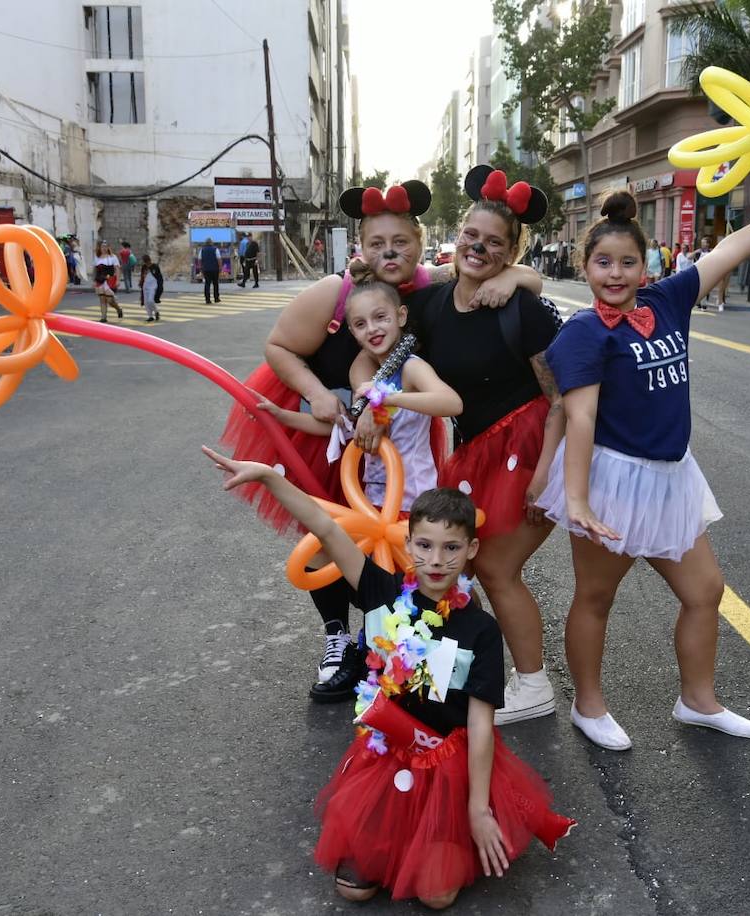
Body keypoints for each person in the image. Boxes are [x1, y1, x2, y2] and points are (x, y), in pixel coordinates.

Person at [199, 453, 575, 907]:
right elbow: (326, 527)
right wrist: (267, 479)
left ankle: (443, 837)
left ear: (471, 550)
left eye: (451, 548)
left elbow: (479, 725)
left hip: (447, 762)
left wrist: (477, 809)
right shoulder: (383, 591)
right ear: (410, 543)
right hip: (385, 753)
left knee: (436, 895)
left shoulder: (480, 631)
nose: (436, 560)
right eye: (425, 546)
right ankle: (391, 842)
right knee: (352, 889)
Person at [221, 179, 543, 702]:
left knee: (391, 540)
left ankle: (408, 650)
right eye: (376, 243)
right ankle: (337, 638)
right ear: (359, 246)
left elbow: (502, 272)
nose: (389, 252)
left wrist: (519, 276)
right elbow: (279, 345)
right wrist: (315, 397)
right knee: (328, 531)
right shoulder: (335, 291)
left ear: (419, 242)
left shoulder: (431, 282)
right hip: (328, 421)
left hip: (392, 431)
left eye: (400, 242)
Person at [533, 184, 750, 750]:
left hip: (672, 476)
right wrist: (577, 499)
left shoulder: (667, 300)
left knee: (706, 591)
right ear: (584, 266)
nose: (616, 273)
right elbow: (579, 417)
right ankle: (588, 705)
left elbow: (727, 251)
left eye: (628, 262)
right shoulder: (584, 331)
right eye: (603, 262)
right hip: (614, 481)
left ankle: (698, 701)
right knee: (596, 598)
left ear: (646, 264)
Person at [374, 167, 562, 727]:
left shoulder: (520, 307)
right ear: (457, 237)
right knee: (451, 566)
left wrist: (546, 473)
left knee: (498, 569)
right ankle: (446, 677)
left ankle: (533, 684)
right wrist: (369, 403)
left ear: (510, 254)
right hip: (476, 450)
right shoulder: (432, 304)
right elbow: (394, 350)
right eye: (471, 237)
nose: (478, 248)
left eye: (494, 244)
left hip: (528, 447)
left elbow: (561, 397)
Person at [257, 279, 462, 514]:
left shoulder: (411, 368)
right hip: (373, 500)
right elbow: (343, 426)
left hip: (412, 500)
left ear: (401, 316)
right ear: (352, 332)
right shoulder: (369, 378)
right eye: (361, 324)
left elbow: (452, 403)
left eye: (381, 318)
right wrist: (280, 415)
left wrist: (390, 399)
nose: (372, 329)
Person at [92, 242, 123, 322]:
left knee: (110, 300)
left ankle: (118, 309)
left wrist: (118, 280)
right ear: (100, 248)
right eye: (102, 247)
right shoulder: (97, 257)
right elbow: (95, 270)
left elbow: (117, 269)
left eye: (106, 246)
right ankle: (103, 317)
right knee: (102, 298)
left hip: (110, 279)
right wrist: (94, 281)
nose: (104, 248)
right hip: (100, 279)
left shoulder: (112, 257)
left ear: (108, 247)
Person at [138, 255, 163, 323]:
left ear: (149, 260)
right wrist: (141, 282)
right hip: (145, 285)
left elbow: (159, 276)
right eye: (145, 262)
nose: (147, 263)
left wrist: (160, 286)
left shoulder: (155, 266)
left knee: (150, 300)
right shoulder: (144, 267)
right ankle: (150, 316)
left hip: (153, 285)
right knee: (146, 302)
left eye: (147, 262)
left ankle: (156, 311)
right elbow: (142, 275)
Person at [200, 240, 222, 304]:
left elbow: (199, 259)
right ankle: (216, 298)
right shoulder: (215, 249)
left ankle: (207, 299)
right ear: (212, 243)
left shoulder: (202, 250)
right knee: (215, 284)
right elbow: (219, 259)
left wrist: (201, 267)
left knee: (207, 284)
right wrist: (220, 267)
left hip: (206, 269)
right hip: (215, 269)